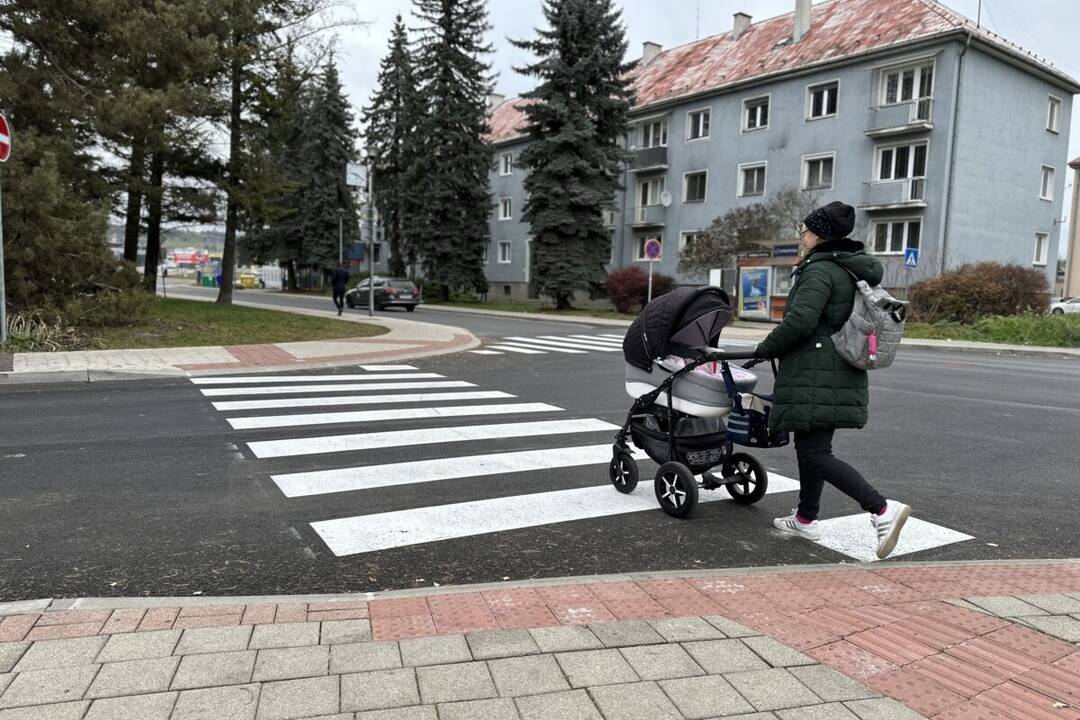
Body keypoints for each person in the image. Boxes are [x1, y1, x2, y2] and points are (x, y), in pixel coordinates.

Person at [754, 201, 911, 560]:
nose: (803, 235)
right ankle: (806, 517)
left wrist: (765, 348)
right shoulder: (849, 267)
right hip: (838, 366)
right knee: (811, 449)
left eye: (807, 230)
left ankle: (882, 509)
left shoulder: (820, 270)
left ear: (820, 234)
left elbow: (800, 322)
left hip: (815, 369)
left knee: (815, 453)